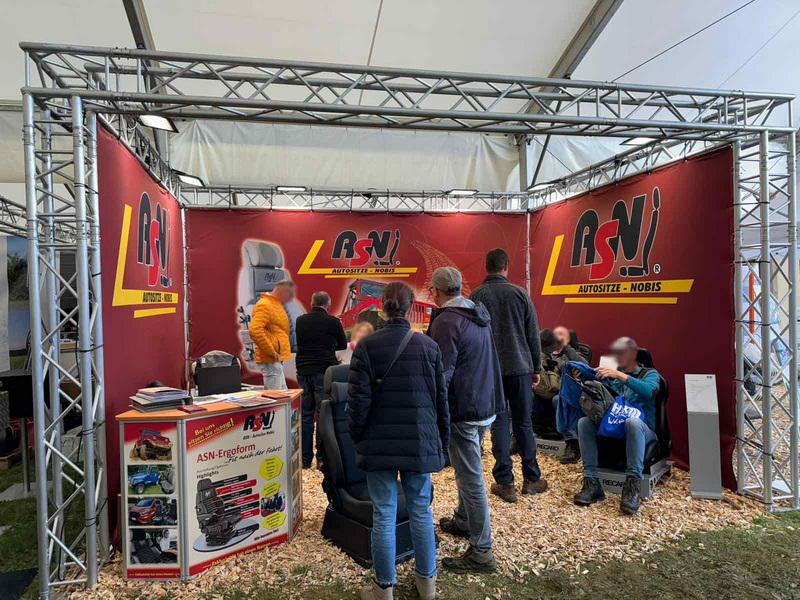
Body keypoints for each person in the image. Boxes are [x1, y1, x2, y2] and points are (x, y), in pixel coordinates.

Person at [348, 282, 449, 600]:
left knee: (384, 513)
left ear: (382, 306)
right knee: (421, 510)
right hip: (419, 441)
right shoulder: (429, 347)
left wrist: (358, 436)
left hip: (379, 442)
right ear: (410, 308)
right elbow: (440, 400)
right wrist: (441, 440)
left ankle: (384, 587)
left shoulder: (366, 347)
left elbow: (358, 402)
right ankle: (427, 583)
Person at [427, 267, 503, 574]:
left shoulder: (447, 321)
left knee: (471, 479)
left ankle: (482, 551)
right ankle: (463, 519)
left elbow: (441, 371)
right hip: (484, 403)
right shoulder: (476, 314)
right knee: (466, 470)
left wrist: (433, 408)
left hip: (464, 408)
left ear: (437, 291)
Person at [471, 248, 547, 502]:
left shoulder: (476, 296)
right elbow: (532, 334)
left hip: (491, 369)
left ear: (487, 266)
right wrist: (536, 368)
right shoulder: (520, 294)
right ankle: (532, 479)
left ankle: (505, 482)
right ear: (506, 266)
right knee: (524, 423)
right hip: (521, 367)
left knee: (499, 423)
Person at [573, 337, 661, 515]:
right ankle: (592, 481)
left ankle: (632, 486)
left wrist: (620, 376)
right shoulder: (612, 378)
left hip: (643, 429)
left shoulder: (650, 374)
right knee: (584, 423)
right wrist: (583, 381)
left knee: (632, 422)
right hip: (615, 425)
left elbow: (649, 391)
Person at [295, 291, 347, 469]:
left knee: (306, 415)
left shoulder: (300, 321)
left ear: (312, 303)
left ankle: (305, 459)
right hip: (322, 372)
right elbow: (343, 344)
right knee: (322, 414)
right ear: (328, 305)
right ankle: (321, 458)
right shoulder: (333, 322)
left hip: (303, 371)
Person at [549, 326, 588, 464]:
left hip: (567, 391)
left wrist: (567, 349)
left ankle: (572, 443)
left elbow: (585, 367)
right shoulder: (546, 353)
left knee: (558, 399)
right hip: (546, 388)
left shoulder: (573, 354)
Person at [248, 280, 296, 389]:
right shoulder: (265, 305)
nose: (290, 298)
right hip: (271, 359)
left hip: (275, 359)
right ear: (282, 291)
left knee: (282, 395)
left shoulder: (274, 305)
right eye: (290, 294)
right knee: (275, 396)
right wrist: (271, 351)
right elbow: (255, 330)